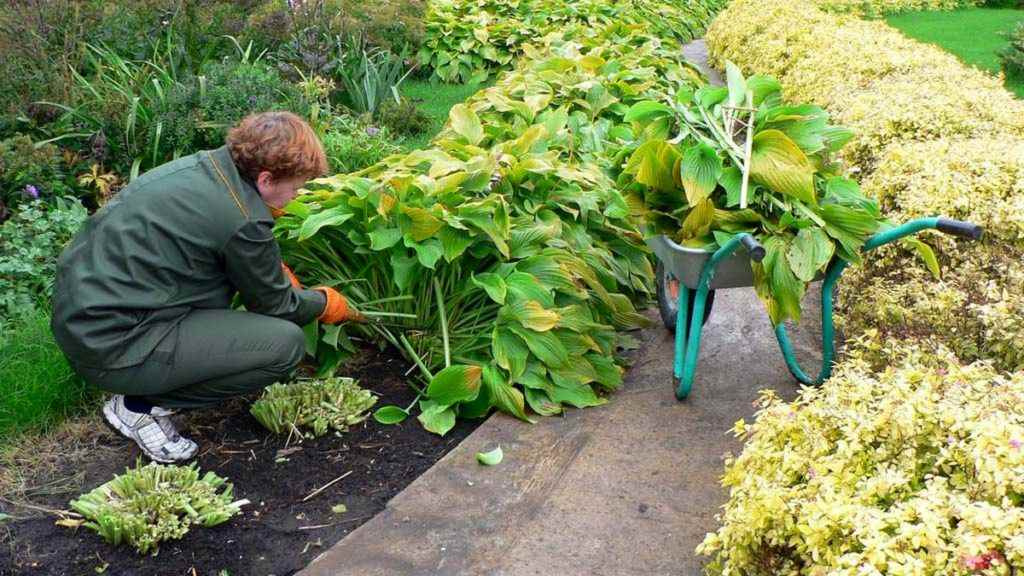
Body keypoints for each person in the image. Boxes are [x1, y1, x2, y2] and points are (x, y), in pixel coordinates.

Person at [51, 111, 362, 463]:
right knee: (283, 345)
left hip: (84, 315)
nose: (298, 194)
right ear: (265, 178)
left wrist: (260, 260)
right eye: (296, 186)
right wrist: (323, 303)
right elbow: (278, 307)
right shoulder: (241, 217)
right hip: (114, 343)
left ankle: (141, 386)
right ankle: (138, 406)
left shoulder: (208, 167)